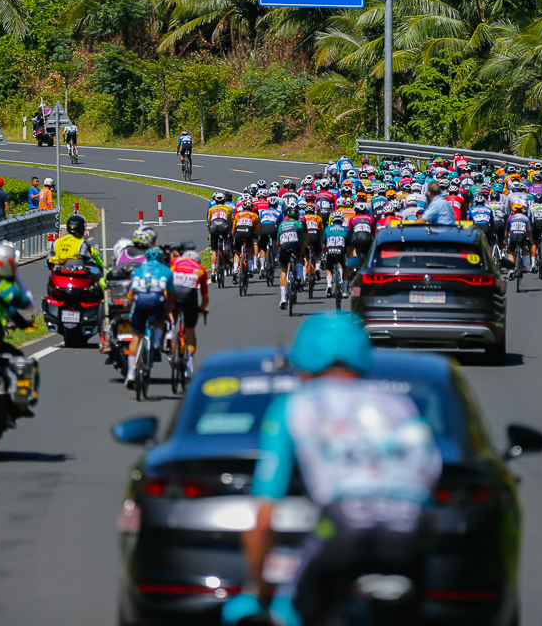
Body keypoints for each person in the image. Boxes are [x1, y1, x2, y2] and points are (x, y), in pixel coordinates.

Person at [221, 312, 442, 626]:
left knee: (292, 611)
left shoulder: (296, 404)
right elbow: (428, 499)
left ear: (304, 364)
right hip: (409, 533)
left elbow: (264, 518)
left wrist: (256, 591)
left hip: (343, 527)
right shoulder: (399, 405)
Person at [126, 246, 175, 390]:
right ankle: (157, 343)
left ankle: (130, 373)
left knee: (136, 336)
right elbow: (171, 296)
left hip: (140, 300)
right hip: (156, 300)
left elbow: (131, 294)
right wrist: (169, 311)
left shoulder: (139, 269)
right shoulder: (166, 270)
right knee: (160, 318)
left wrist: (131, 308)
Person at [170, 249, 209, 379]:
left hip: (174, 293)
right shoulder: (201, 270)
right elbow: (205, 297)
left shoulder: (176, 262)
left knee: (172, 312)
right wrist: (203, 308)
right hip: (189, 296)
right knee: (191, 331)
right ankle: (189, 367)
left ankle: (169, 333)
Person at [276, 206, 306, 309]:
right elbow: (302, 242)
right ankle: (299, 275)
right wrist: (302, 253)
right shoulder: (299, 224)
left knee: (283, 271)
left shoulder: (282, 224)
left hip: (284, 246)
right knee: (299, 256)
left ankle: (283, 299)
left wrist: (279, 251)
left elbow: (277, 242)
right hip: (295, 245)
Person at [207, 193, 235, 282]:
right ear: (224, 201)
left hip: (214, 227)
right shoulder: (228, 209)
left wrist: (210, 232)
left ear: (215, 201)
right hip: (224, 227)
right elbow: (230, 223)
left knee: (214, 250)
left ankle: (213, 272)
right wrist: (231, 233)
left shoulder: (211, 209)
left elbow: (209, 222)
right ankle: (226, 251)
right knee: (226, 238)